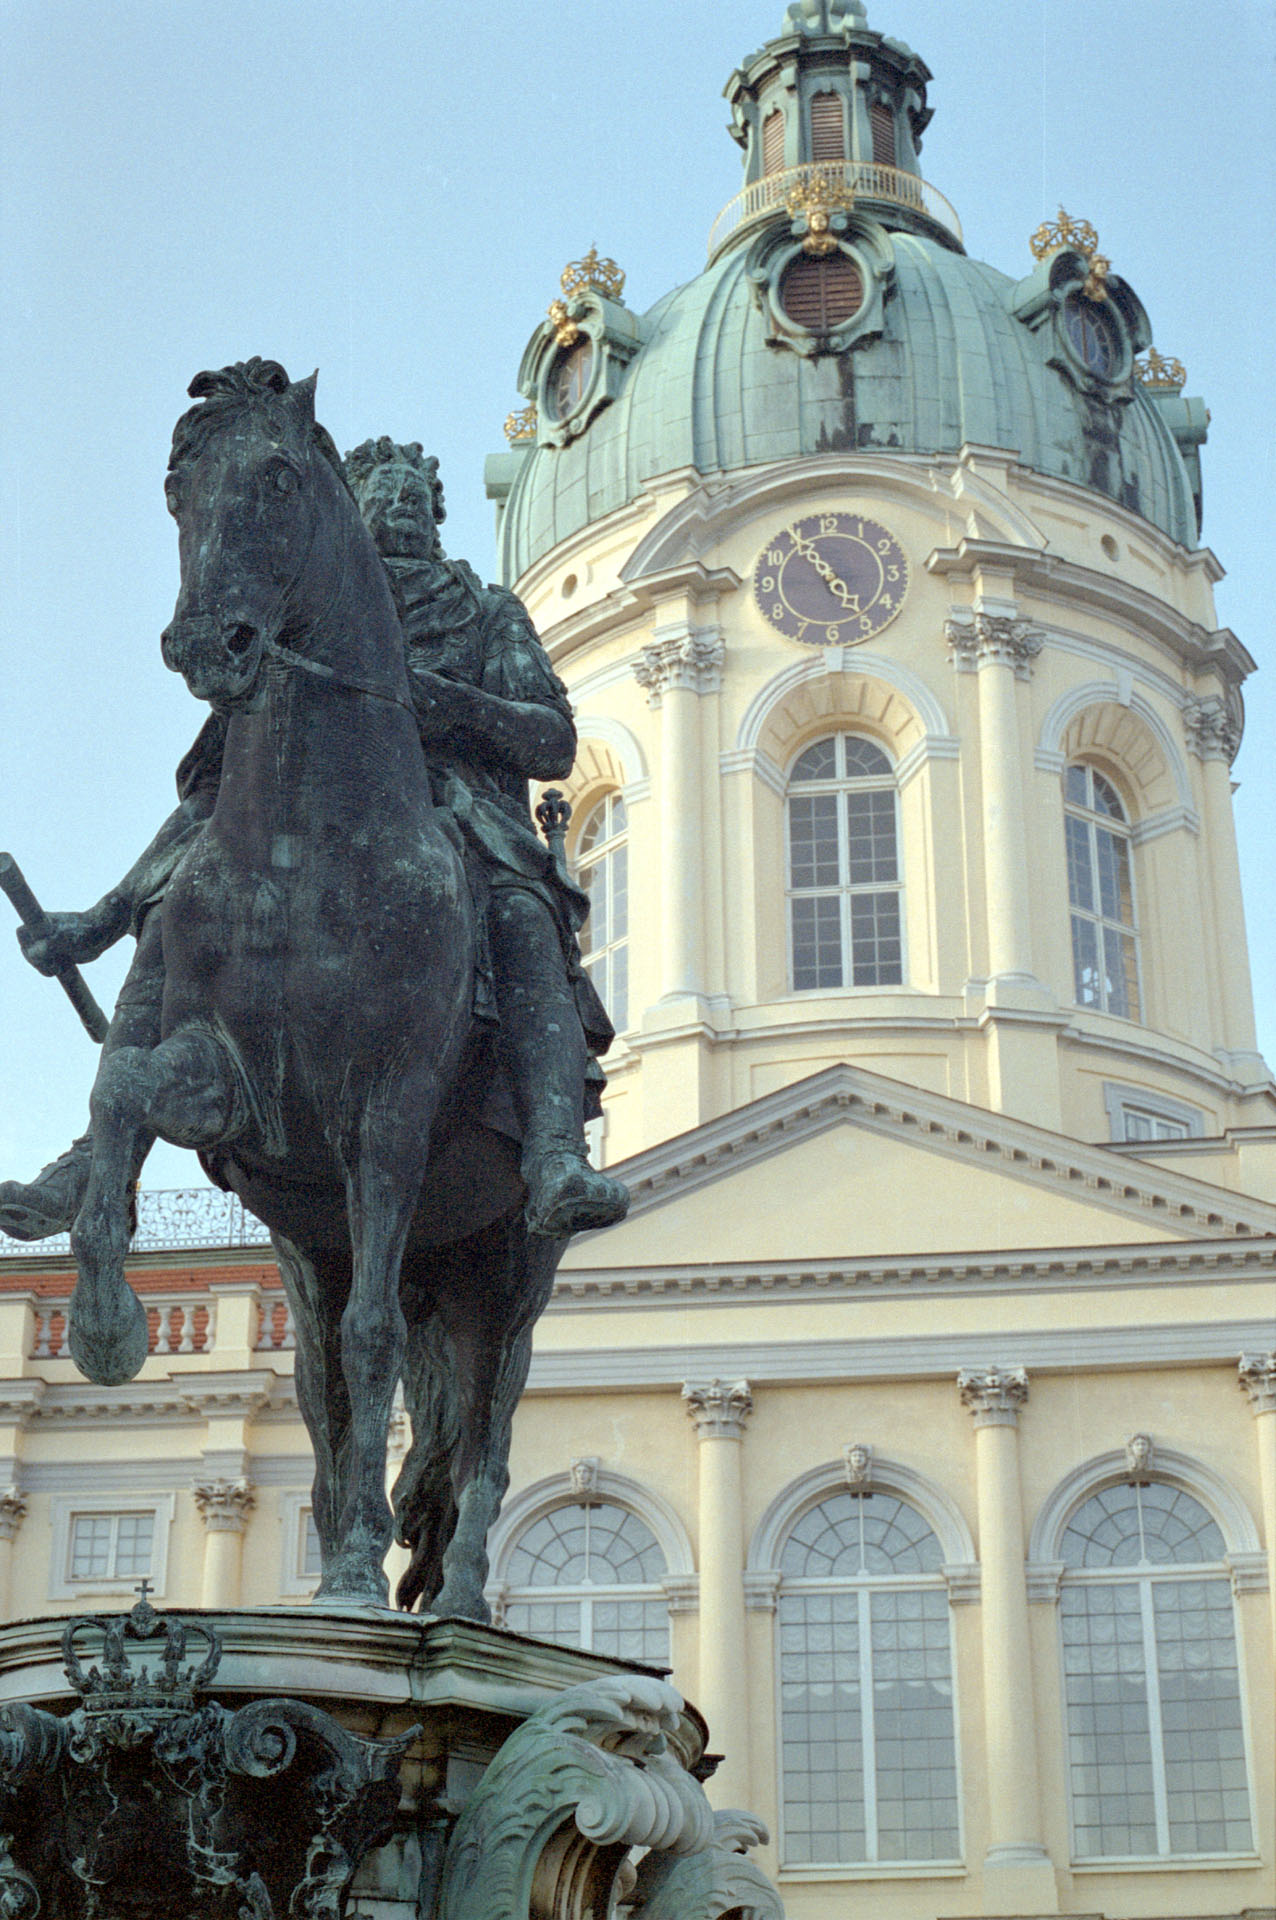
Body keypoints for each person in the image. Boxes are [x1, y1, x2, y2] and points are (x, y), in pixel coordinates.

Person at [0, 438, 627, 1242]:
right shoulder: (299, 624)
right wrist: (99, 920)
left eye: (412, 497)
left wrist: (451, 704)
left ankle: (552, 1152)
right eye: (382, 496)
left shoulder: (486, 611)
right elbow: (208, 790)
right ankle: (98, 1158)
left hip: (457, 812)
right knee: (183, 901)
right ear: (352, 517)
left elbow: (551, 741)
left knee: (521, 913)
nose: (399, 508)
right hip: (301, 820)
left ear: (436, 516)